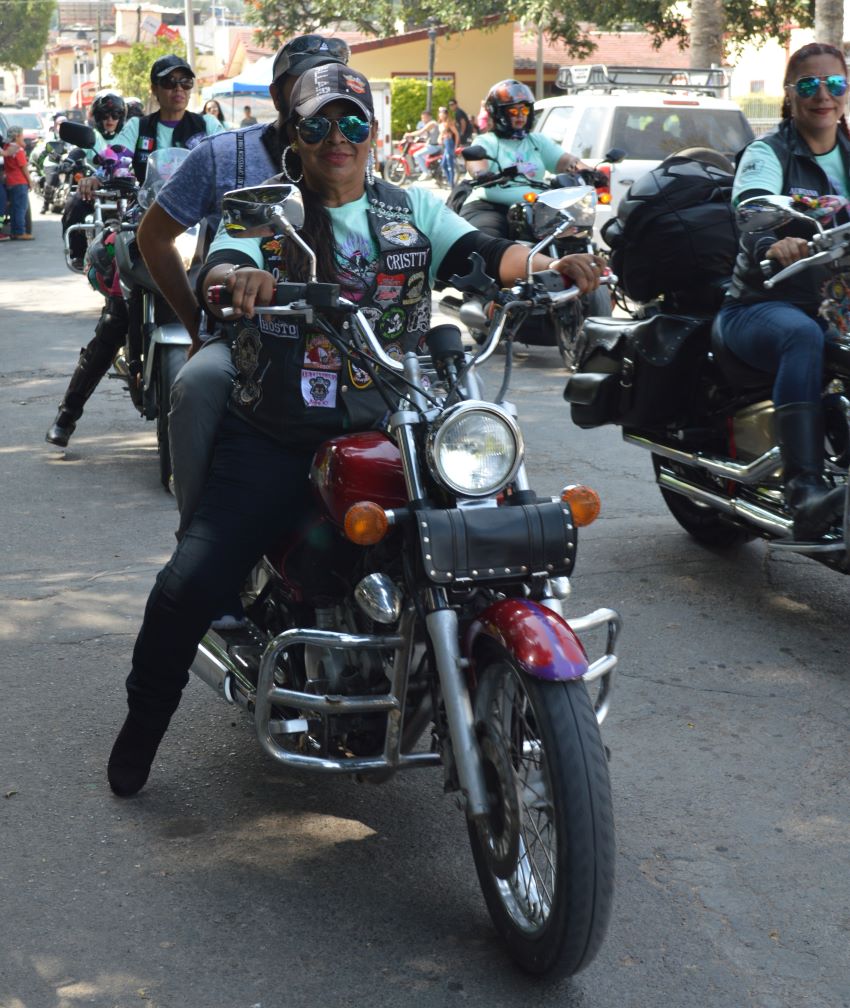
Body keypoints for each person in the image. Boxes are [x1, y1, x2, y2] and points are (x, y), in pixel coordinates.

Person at [104, 63, 604, 797]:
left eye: (352, 122)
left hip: (400, 420)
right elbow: (225, 259)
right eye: (317, 124)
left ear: (373, 134)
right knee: (191, 581)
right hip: (280, 429)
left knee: (493, 529)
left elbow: (484, 255)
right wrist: (237, 281)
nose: (336, 138)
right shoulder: (263, 210)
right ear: (295, 138)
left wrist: (549, 262)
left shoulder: (412, 209)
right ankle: (142, 725)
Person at [132, 34, 351, 529]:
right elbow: (156, 236)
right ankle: (197, 535)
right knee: (196, 385)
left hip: (345, 331)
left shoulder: (349, 149)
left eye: (340, 89)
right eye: (309, 85)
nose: (326, 99)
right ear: (278, 98)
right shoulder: (221, 155)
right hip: (244, 333)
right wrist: (195, 323)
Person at [44, 56, 225, 448]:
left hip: (196, 232)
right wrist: (98, 173)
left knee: (226, 310)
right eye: (169, 83)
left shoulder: (208, 127)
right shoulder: (137, 127)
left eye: (185, 83)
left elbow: (226, 158)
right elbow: (112, 155)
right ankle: (68, 414)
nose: (178, 90)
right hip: (145, 228)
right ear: (155, 89)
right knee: (114, 321)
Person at [716, 41, 848, 540]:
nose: (824, 96)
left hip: (839, 304)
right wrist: (775, 240)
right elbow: (749, 207)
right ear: (790, 96)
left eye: (834, 84)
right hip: (763, 304)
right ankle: (804, 489)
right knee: (803, 335)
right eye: (809, 85)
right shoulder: (766, 153)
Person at [459, 79, 581, 239]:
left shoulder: (537, 141)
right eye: (513, 111)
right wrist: (481, 174)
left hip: (536, 208)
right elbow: (475, 163)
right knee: (487, 241)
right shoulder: (488, 141)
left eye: (524, 110)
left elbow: (566, 161)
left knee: (573, 237)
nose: (521, 116)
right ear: (498, 113)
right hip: (491, 207)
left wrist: (590, 172)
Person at [62, 91, 127, 267]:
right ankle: (77, 253)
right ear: (98, 117)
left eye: (115, 115)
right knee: (73, 205)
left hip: (126, 189)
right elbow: (80, 150)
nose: (110, 119)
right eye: (105, 115)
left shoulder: (129, 135)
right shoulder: (92, 135)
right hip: (94, 188)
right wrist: (69, 160)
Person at [2, 126, 33, 240]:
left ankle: (15, 232)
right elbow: (24, 167)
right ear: (17, 136)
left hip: (10, 181)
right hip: (19, 181)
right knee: (21, 208)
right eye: (22, 135)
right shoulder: (18, 150)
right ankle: (20, 232)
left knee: (15, 208)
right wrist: (30, 181)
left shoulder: (7, 147)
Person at [404, 110, 440, 177]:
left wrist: (409, 134)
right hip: (433, 145)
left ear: (429, 117)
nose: (423, 120)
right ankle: (421, 167)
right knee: (421, 150)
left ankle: (426, 172)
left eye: (424, 118)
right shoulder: (431, 124)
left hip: (435, 146)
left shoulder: (431, 123)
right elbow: (426, 135)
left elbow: (420, 132)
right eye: (422, 118)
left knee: (416, 155)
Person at [437, 105, 459, 187]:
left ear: (446, 114)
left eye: (442, 113)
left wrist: (455, 146)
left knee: (450, 164)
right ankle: (450, 181)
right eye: (439, 112)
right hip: (445, 143)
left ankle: (451, 184)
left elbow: (456, 134)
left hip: (449, 143)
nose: (440, 114)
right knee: (444, 164)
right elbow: (441, 134)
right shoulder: (441, 123)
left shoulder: (448, 123)